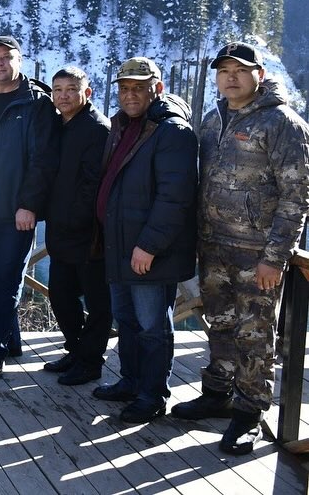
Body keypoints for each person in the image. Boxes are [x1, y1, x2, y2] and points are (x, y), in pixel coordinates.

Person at [171, 42, 309, 455]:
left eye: (240, 70)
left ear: (259, 75)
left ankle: (249, 412)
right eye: (224, 70)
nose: (231, 77)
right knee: (220, 322)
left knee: (255, 333)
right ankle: (218, 393)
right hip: (214, 246)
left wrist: (275, 257)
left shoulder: (283, 123)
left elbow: (297, 197)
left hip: (257, 254)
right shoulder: (213, 119)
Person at [93, 57, 197, 423]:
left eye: (139, 88)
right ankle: (131, 381)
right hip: (120, 245)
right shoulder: (124, 125)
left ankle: (152, 395)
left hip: (148, 252)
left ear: (158, 88)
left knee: (153, 327)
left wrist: (149, 246)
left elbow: (175, 197)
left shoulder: (172, 132)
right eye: (124, 88)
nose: (130, 95)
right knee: (127, 320)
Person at [0, 35, 59, 381]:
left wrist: (29, 205)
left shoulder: (36, 103)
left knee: (7, 280)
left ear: (19, 60)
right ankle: (11, 339)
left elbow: (43, 160)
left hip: (16, 211)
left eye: (6, 57)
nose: (0, 64)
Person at [43, 66, 112, 386]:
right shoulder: (60, 124)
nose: (63, 96)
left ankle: (91, 361)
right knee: (61, 296)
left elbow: (93, 184)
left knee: (97, 302)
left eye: (71, 89)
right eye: (57, 90)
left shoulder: (97, 128)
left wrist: (76, 220)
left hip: (89, 233)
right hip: (60, 230)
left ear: (87, 92)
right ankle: (75, 350)